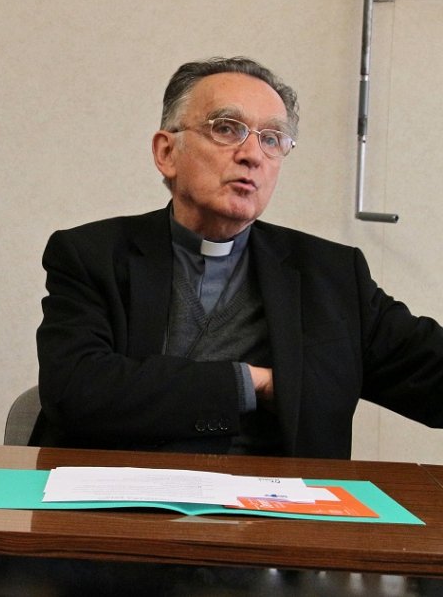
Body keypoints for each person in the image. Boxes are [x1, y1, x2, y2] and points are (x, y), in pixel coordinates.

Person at [34, 56, 443, 458]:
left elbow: (431, 375)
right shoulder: (92, 254)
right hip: (114, 505)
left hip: (275, 513)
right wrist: (250, 383)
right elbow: (76, 388)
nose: (253, 155)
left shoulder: (330, 275)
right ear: (166, 153)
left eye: (271, 139)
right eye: (227, 129)